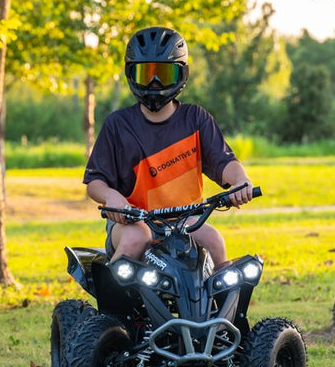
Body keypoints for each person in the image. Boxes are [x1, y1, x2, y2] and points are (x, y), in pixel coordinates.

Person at [83, 26, 254, 267]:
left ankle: (222, 305)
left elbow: (224, 162)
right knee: (136, 238)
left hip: (186, 221)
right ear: (131, 74)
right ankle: (112, 302)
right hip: (133, 221)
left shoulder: (196, 119)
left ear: (181, 74)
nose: (154, 83)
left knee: (214, 240)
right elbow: (94, 181)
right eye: (146, 74)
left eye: (164, 74)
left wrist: (241, 181)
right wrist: (111, 196)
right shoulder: (118, 125)